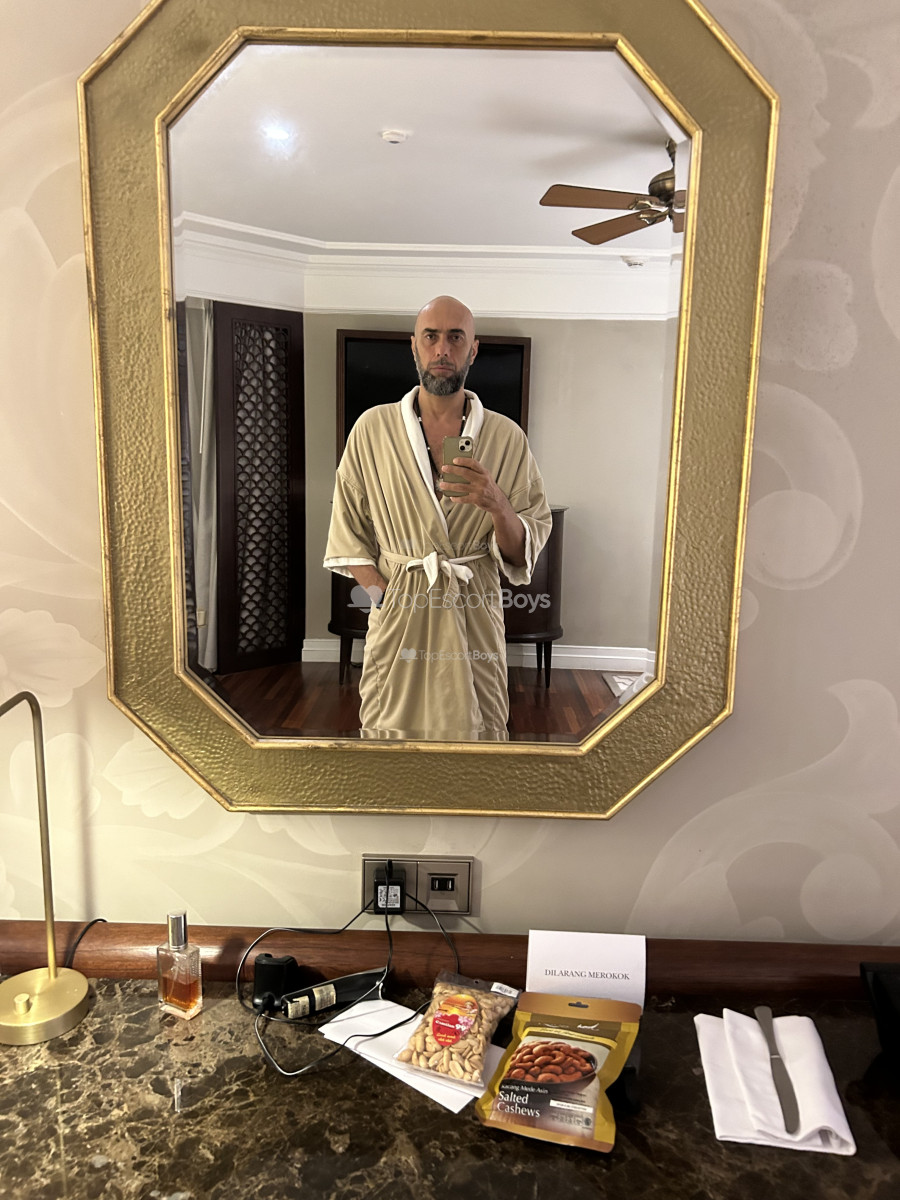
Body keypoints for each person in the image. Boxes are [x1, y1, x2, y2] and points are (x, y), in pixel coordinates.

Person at [324, 295, 550, 740]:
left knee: (479, 734)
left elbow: (523, 548)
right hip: (402, 610)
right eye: (431, 337)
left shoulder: (506, 437)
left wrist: (497, 503)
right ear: (414, 346)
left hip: (473, 614)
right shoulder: (372, 429)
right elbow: (347, 531)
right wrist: (384, 599)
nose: (442, 349)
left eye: (455, 337)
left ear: (473, 349)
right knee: (390, 733)